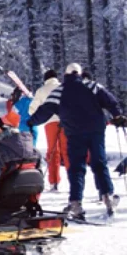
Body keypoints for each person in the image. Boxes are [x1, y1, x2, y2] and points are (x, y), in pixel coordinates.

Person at [28, 63, 125, 219]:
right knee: (99, 162)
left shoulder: (59, 90)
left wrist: (31, 122)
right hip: (95, 131)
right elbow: (109, 100)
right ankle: (107, 196)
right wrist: (117, 115)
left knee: (76, 167)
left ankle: (76, 203)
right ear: (80, 73)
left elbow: (45, 110)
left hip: (74, 132)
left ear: (65, 75)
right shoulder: (92, 85)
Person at [0, 117, 41, 208]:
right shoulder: (35, 153)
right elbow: (37, 181)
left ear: (5, 129)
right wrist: (33, 202)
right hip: (25, 201)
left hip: (0, 202)